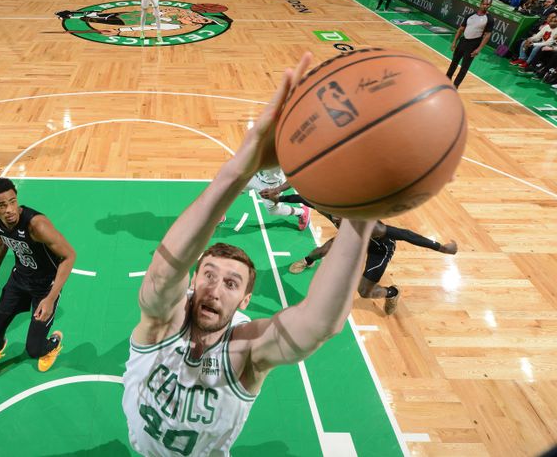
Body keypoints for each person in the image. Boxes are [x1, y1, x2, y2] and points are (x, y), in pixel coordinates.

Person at [122, 53, 378, 456]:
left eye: (230, 282)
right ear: (192, 281)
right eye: (207, 274)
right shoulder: (161, 325)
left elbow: (318, 326)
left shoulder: (246, 352)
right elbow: (161, 275)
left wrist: (361, 216)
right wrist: (245, 161)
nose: (214, 288)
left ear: (244, 301)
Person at [0, 177, 76, 376]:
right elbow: (1, 242)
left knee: (35, 350)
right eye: (2, 205)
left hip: (44, 287)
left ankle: (54, 343)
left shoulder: (36, 225)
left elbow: (69, 256)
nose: (10, 210)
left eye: (13, 201)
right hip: (19, 281)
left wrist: (50, 299)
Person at [290, 219, 457, 315]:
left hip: (380, 249)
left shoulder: (374, 226)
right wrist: (280, 196)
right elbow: (307, 199)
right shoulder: (335, 210)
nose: (336, 221)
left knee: (364, 292)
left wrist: (441, 247)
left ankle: (392, 293)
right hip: (356, 239)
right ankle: (308, 261)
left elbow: (407, 235)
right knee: (323, 250)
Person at [446, 0, 495, 88]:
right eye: (484, 4)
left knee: (465, 66)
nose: (485, 6)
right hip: (463, 41)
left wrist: (479, 48)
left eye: (487, 4)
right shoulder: (470, 15)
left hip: (474, 44)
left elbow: (487, 35)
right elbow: (461, 29)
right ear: (480, 4)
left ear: (490, 6)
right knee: (454, 61)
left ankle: (456, 85)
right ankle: (447, 79)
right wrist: (454, 42)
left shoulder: (489, 19)